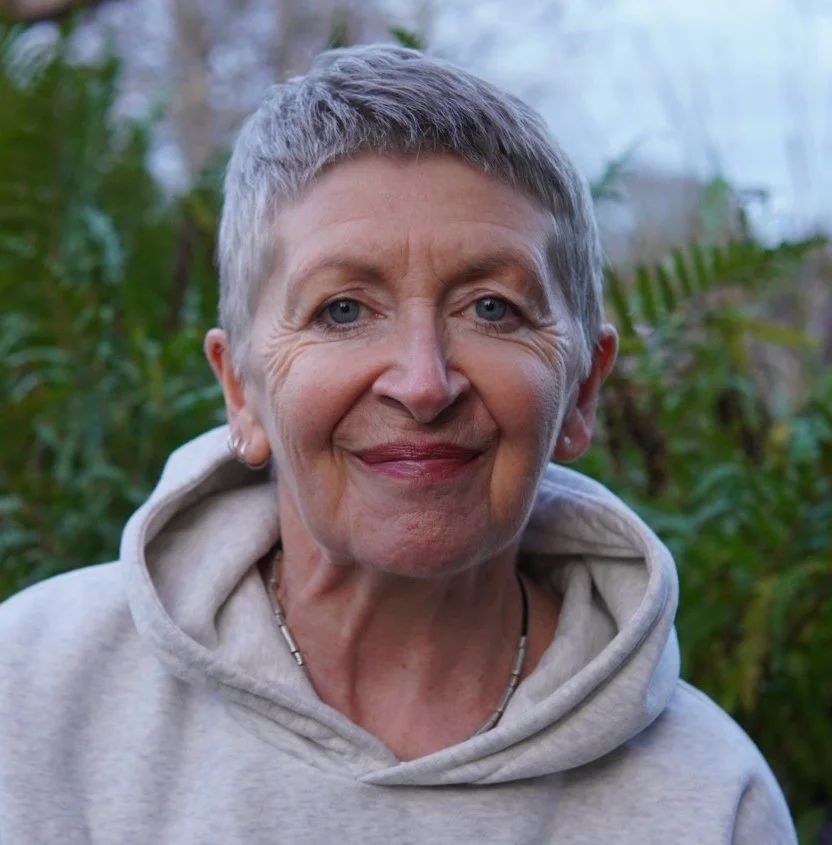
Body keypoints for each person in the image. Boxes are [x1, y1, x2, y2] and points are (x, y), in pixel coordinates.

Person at [0, 45, 795, 844]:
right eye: (342, 310)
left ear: (583, 388)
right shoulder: (32, 694)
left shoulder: (709, 801)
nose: (423, 383)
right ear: (240, 388)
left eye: (492, 308)